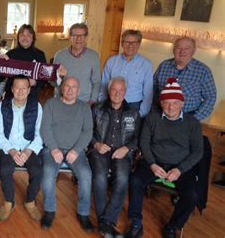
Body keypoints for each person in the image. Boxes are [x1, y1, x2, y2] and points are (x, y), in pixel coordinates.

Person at [125, 78, 203, 238]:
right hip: (153, 162)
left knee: (193, 195)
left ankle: (172, 227)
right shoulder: (152, 119)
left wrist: (180, 170)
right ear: (161, 103)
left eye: (175, 102)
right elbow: (144, 143)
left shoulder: (193, 123)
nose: (170, 107)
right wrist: (152, 164)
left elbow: (197, 151)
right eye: (166, 102)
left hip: (180, 166)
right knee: (135, 181)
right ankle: (135, 222)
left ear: (182, 103)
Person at [40, 77, 93, 231]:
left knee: (86, 175)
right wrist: (54, 148)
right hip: (52, 149)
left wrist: (76, 151)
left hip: (75, 151)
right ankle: (49, 210)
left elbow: (88, 132)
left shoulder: (84, 108)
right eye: (67, 86)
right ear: (61, 88)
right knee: (48, 173)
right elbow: (45, 129)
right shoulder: (51, 104)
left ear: (79, 90)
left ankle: (83, 213)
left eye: (74, 87)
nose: (70, 90)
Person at [89, 77, 141, 237]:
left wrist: (126, 148)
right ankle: (106, 223)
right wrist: (97, 144)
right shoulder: (97, 109)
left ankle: (106, 222)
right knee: (99, 178)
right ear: (108, 91)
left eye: (121, 90)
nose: (117, 93)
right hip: (100, 150)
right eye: (114, 90)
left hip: (122, 152)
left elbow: (139, 138)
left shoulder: (133, 112)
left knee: (123, 178)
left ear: (125, 92)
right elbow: (86, 132)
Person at [0, 75, 43, 221]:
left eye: (24, 88)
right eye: (17, 87)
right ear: (11, 89)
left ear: (29, 90)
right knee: (5, 169)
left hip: (29, 145)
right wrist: (11, 150)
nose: (20, 91)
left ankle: (30, 201)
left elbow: (39, 134)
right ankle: (9, 202)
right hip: (9, 146)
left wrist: (29, 151)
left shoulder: (36, 106)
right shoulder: (2, 106)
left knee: (37, 170)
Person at [153, 36, 216, 121]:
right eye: (179, 47)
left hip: (188, 117)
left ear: (193, 51)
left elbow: (210, 97)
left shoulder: (203, 71)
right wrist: (154, 111)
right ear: (173, 50)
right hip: (161, 115)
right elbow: (152, 89)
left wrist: (195, 119)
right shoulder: (164, 65)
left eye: (187, 48)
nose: (182, 51)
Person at [99, 30, 153, 117]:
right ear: (122, 43)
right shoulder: (111, 61)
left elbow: (148, 94)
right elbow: (103, 86)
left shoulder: (146, 65)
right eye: (127, 42)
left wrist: (141, 114)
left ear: (139, 44)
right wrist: (102, 106)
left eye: (134, 42)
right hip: (111, 105)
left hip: (134, 106)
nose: (130, 45)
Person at [53, 23, 101, 104]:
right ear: (70, 37)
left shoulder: (93, 56)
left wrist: (92, 100)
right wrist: (59, 76)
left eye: (82, 35)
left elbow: (96, 81)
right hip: (62, 101)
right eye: (75, 35)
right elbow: (52, 82)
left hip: (85, 102)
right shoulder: (60, 55)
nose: (78, 38)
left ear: (86, 38)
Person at [5, 24, 47, 100]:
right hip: (11, 97)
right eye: (22, 35)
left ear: (33, 38)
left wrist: (35, 82)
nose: (25, 38)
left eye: (28, 35)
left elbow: (45, 80)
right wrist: (1, 62)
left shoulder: (40, 55)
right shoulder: (10, 54)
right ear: (18, 38)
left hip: (32, 97)